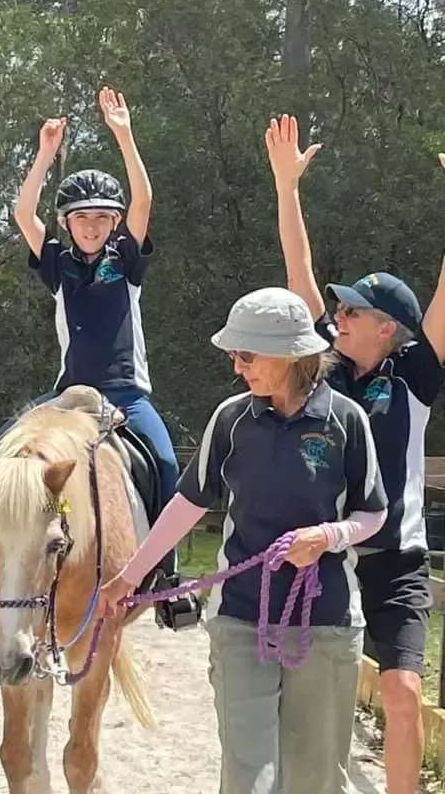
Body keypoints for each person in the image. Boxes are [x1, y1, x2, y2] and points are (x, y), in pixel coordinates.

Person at [97, 287, 388, 794]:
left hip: (325, 622)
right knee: (247, 778)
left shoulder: (346, 421)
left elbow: (374, 512)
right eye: (235, 355)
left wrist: (329, 536)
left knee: (314, 780)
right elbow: (188, 503)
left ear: (290, 354)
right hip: (240, 619)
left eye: (247, 355)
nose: (237, 367)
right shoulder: (231, 419)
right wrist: (130, 576)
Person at [0, 87, 191, 626]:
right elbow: (22, 211)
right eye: (82, 217)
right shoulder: (57, 263)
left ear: (115, 222)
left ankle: (168, 579)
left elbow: (143, 199)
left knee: (166, 464)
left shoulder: (126, 260)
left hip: (126, 391)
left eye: (103, 216)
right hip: (68, 393)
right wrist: (44, 154)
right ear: (68, 223)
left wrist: (124, 134)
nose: (93, 225)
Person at [266, 113, 445, 794]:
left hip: (397, 558)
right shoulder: (326, 368)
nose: (336, 318)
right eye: (337, 311)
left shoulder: (418, 374)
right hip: (327, 553)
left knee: (401, 693)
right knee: (311, 694)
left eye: (350, 313)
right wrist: (287, 188)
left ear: (388, 328)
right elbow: (298, 269)